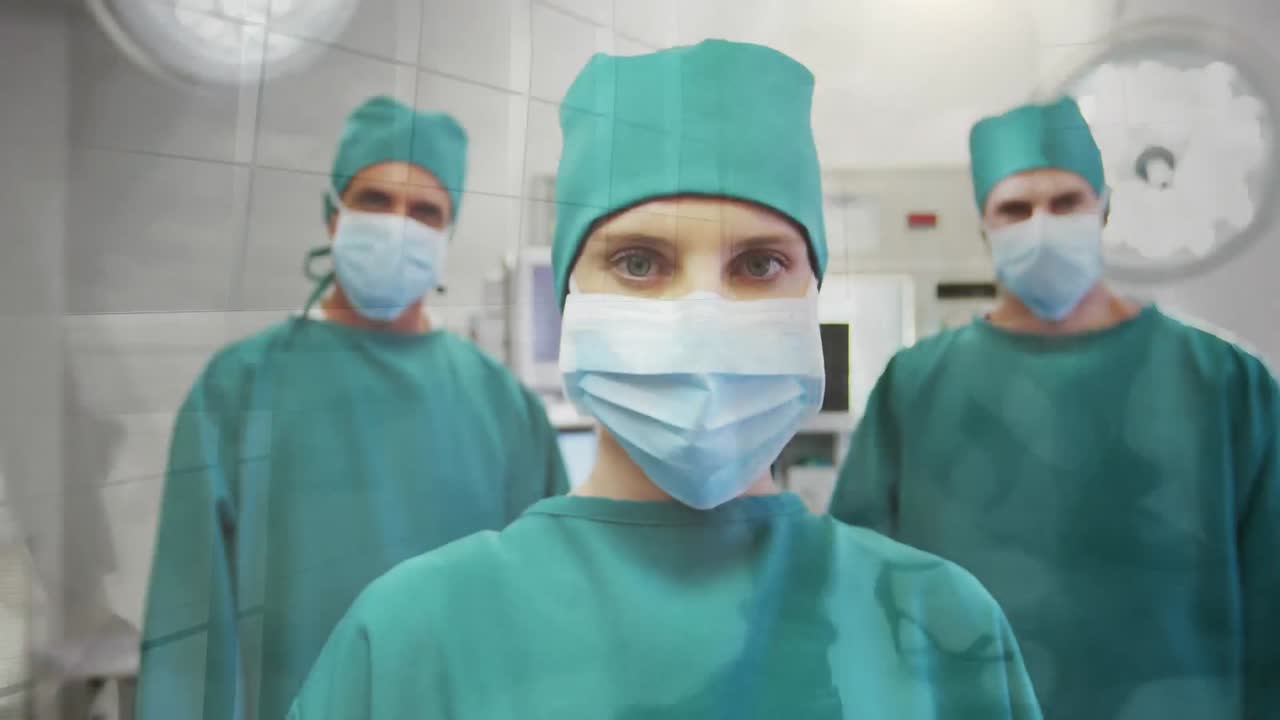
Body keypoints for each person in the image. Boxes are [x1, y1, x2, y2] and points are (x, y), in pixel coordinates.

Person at [286, 40, 1041, 719]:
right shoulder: (409, 642)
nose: (698, 315)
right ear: (568, 295)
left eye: (758, 264)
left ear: (814, 294)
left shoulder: (942, 627)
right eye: (639, 262)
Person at [829, 97, 1279, 719]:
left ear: (1104, 208)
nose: (1041, 223)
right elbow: (856, 587)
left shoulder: (1225, 382)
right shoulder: (916, 386)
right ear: (985, 226)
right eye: (1015, 208)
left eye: (1066, 202)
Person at [135, 96, 569, 720]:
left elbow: (547, 623)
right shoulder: (238, 392)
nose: (399, 224)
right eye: (375, 200)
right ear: (333, 215)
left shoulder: (504, 409)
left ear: (447, 234)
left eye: (424, 211)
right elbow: (187, 639)